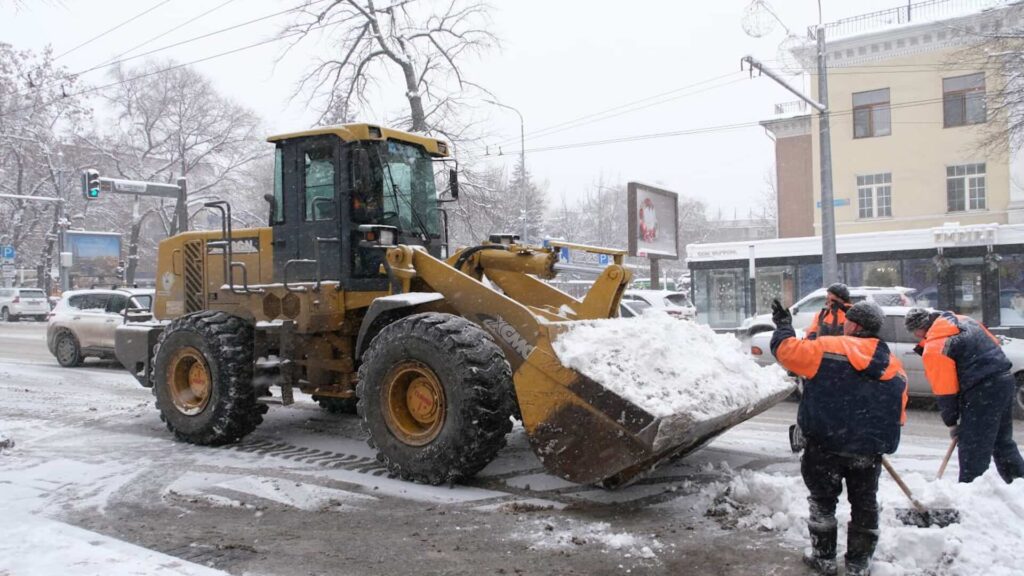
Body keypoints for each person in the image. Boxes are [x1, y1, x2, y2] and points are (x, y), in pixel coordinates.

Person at [771, 299, 908, 576]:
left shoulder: (828, 347)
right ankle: (858, 563)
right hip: (867, 451)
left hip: (825, 444)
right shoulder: (893, 364)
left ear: (855, 325)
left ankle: (824, 559)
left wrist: (784, 326)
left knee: (823, 501)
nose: (844, 322)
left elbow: (785, 352)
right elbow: (899, 414)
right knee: (864, 504)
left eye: (849, 319)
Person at [904, 308, 1024, 484]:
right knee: (1002, 441)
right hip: (1003, 380)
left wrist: (952, 422)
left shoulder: (936, 346)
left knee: (972, 448)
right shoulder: (964, 320)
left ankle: (971, 493)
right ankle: (1019, 484)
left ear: (919, 329)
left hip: (982, 390)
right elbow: (994, 343)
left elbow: (945, 390)